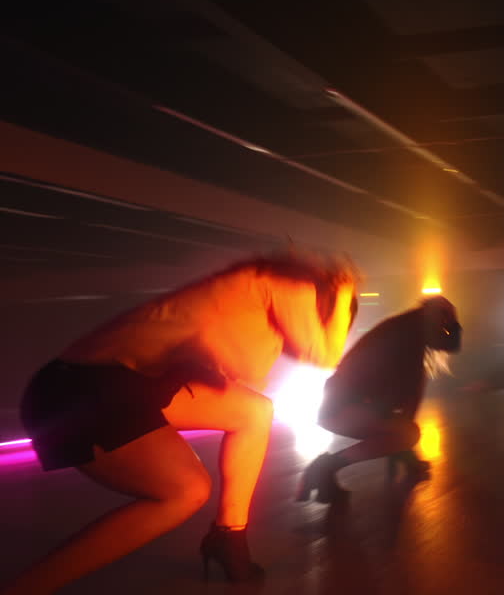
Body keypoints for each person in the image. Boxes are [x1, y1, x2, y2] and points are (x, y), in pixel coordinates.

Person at [3, 252, 358, 593]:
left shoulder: (256, 292)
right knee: (186, 492)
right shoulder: (289, 289)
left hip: (123, 382)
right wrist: (344, 295)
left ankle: (229, 537)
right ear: (320, 306)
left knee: (253, 411)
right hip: (80, 391)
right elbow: (325, 353)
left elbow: (239, 370)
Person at [296, 295, 462, 504]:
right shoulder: (407, 336)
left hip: (345, 404)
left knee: (406, 430)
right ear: (434, 316)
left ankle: (329, 469)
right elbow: (401, 400)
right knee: (408, 432)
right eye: (445, 320)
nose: (445, 326)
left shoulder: (410, 330)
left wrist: (403, 448)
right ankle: (326, 466)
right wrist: (401, 439)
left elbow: (450, 345)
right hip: (343, 407)